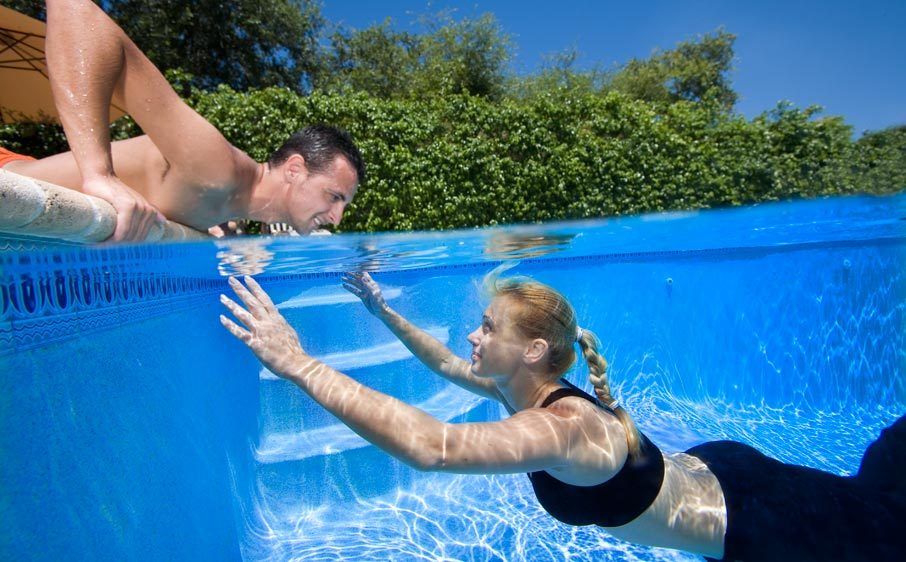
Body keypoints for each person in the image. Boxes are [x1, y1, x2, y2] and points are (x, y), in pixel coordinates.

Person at [219, 272, 906, 561]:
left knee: (887, 520)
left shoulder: (558, 426)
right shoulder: (526, 390)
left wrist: (301, 364)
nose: (472, 339)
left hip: (759, 523)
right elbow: (442, 365)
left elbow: (432, 446)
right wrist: (382, 310)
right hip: (723, 472)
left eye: (487, 328)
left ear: (534, 349)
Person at [2, 0, 365, 242]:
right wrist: (99, 176)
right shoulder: (217, 170)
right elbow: (74, 11)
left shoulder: (228, 206)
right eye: (334, 196)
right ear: (294, 169)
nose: (336, 217)